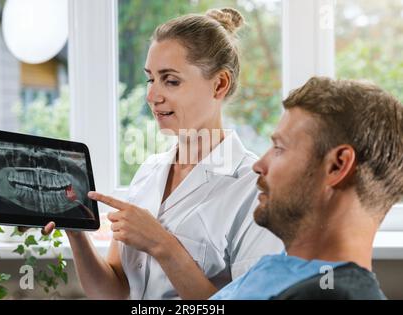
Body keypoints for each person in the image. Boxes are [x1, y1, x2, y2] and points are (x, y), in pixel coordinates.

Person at [24, 8, 283, 300]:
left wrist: (162, 244)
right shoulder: (149, 172)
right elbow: (113, 291)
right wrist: (76, 232)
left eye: (170, 80)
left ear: (219, 84)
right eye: (150, 79)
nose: (152, 96)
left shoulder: (254, 188)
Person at [211, 76, 403, 300]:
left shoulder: (329, 293)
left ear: (337, 166)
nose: (259, 165)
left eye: (279, 148)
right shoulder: (287, 272)